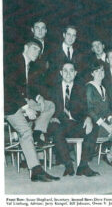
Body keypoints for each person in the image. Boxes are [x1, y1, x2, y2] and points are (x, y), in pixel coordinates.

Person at [4, 39, 60, 182]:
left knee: (49, 105)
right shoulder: (14, 62)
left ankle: (38, 132)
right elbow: (9, 88)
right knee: (25, 132)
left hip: (20, 100)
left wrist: (38, 97)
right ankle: (36, 170)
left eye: (39, 50)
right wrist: (26, 107)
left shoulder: (28, 65)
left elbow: (27, 88)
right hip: (8, 104)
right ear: (25, 47)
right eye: (34, 48)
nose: (37, 52)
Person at [50, 62, 99, 177]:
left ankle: (83, 165)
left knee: (94, 127)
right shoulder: (53, 88)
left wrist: (88, 118)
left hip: (75, 123)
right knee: (56, 128)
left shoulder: (81, 88)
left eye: (71, 70)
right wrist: (52, 117)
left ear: (75, 73)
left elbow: (86, 108)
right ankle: (68, 165)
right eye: (65, 70)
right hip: (59, 123)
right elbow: (48, 106)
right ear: (61, 73)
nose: (68, 73)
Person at [86, 63, 112, 166]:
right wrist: (106, 125)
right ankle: (109, 155)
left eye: (102, 71)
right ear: (92, 73)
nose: (100, 73)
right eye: (97, 71)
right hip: (94, 124)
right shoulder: (89, 87)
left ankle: (111, 154)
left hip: (104, 122)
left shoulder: (103, 88)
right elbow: (89, 110)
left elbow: (107, 110)